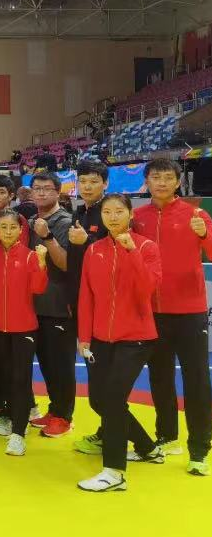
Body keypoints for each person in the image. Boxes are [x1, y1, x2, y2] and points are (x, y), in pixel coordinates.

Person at [77, 194, 166, 491]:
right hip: (101, 339)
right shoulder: (94, 250)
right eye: (107, 212)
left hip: (136, 338)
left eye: (119, 211)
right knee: (98, 400)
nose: (113, 217)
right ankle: (147, 447)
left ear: (130, 214)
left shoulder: (147, 247)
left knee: (113, 400)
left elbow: (147, 289)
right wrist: (84, 337)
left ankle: (114, 472)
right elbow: (86, 297)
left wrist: (132, 252)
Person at [133, 158, 211, 476]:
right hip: (153, 312)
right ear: (147, 182)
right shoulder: (137, 218)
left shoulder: (197, 215)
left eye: (168, 177)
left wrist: (205, 235)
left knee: (196, 380)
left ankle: (200, 448)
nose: (162, 182)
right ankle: (167, 436)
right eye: (156, 177)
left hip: (190, 312)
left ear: (178, 182)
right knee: (160, 377)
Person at [0, 209, 48, 456]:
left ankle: (18, 434)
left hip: (24, 328)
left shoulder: (31, 255)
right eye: (3, 227)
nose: (8, 232)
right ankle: (14, 419)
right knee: (6, 376)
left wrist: (41, 263)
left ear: (21, 230)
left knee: (20, 379)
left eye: (13, 227)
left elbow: (39, 288)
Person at [26, 172, 76, 438]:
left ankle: (64, 417)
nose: (41, 193)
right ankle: (55, 409)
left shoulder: (65, 222)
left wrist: (47, 237)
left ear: (58, 192)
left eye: (47, 188)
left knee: (61, 365)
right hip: (37, 304)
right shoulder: (33, 220)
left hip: (58, 306)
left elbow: (66, 263)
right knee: (46, 362)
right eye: (37, 188)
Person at [68, 160, 111, 455]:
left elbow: (116, 249)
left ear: (105, 184)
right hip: (82, 301)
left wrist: (89, 240)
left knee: (103, 377)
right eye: (83, 181)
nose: (87, 186)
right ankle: (107, 431)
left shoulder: (110, 211)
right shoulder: (80, 212)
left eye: (94, 181)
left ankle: (117, 434)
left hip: (104, 303)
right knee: (95, 371)